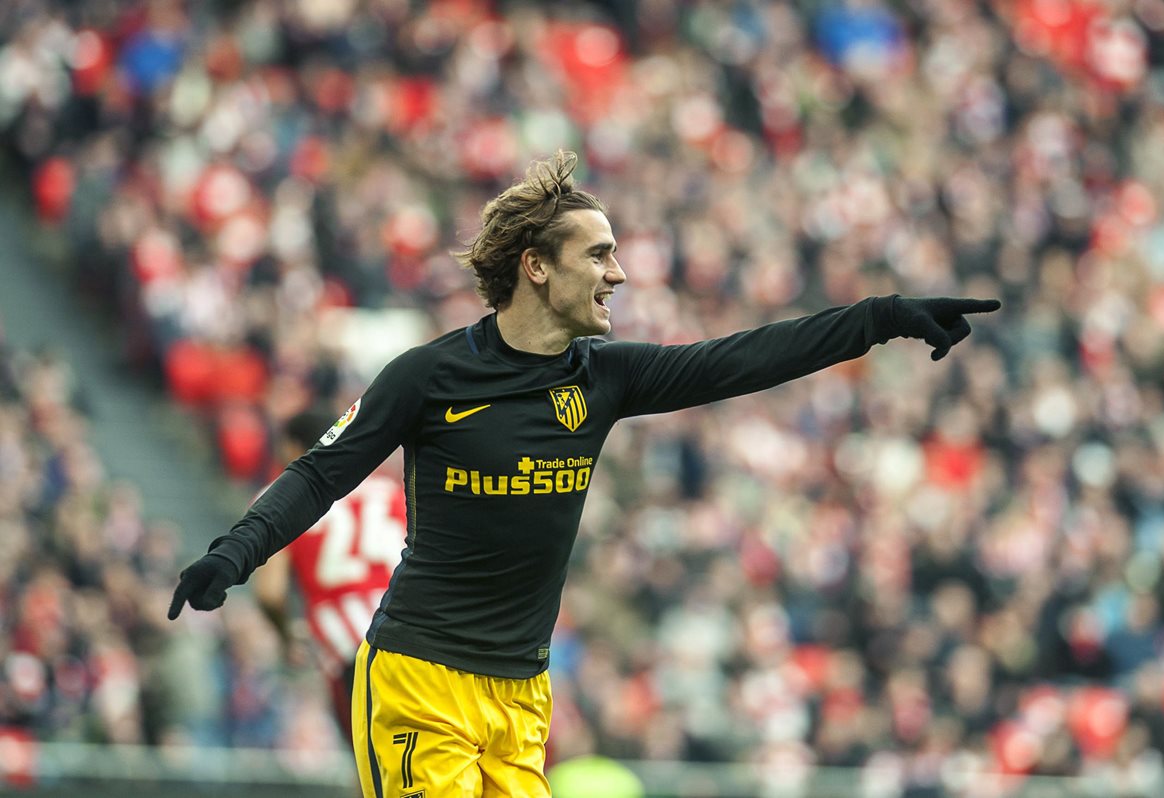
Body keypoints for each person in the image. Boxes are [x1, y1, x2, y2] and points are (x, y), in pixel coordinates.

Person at [168, 150, 1001, 797]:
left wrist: (881, 318)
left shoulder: (604, 377)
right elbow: (320, 475)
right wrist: (232, 556)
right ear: (537, 265)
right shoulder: (426, 378)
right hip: (420, 681)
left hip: (523, 695)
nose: (620, 274)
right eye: (599, 255)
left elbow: (744, 359)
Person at [252, 409, 407, 744]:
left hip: (351, 647)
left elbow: (270, 593)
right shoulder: (386, 488)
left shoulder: (279, 497)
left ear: (293, 447)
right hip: (415, 636)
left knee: (372, 769)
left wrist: (286, 636)